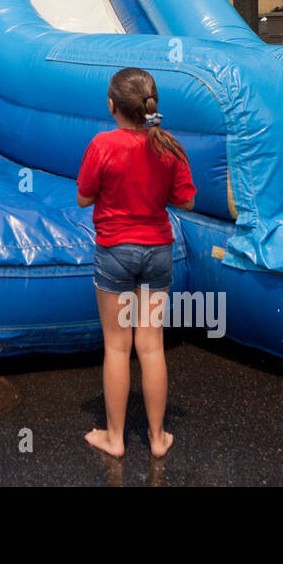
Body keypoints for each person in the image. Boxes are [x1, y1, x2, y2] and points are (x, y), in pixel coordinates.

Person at [76, 67, 195, 460]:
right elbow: (187, 201)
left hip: (115, 252)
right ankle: (158, 438)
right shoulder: (169, 146)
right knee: (151, 346)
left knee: (116, 346)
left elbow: (83, 198)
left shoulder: (102, 145)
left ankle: (115, 437)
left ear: (112, 106)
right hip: (158, 250)